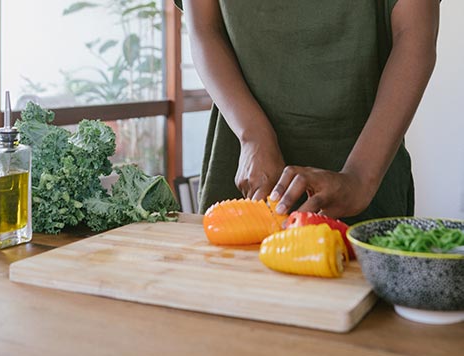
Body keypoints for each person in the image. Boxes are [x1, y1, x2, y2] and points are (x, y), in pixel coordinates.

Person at [176, 0, 440, 224]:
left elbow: (413, 35)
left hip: (369, 162)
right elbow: (204, 29)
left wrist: (360, 178)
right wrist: (252, 134)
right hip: (244, 163)